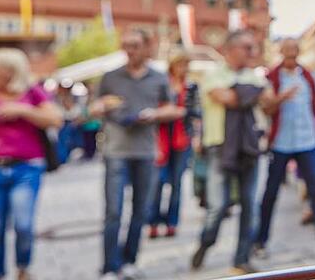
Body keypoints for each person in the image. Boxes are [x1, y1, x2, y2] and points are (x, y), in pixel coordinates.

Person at [91, 30, 182, 280]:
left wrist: (154, 114)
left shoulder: (159, 77)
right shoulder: (110, 77)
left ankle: (129, 260)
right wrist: (101, 107)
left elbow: (174, 109)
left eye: (134, 45)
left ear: (146, 47)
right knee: (113, 211)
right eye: (126, 45)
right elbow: (94, 108)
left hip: (145, 150)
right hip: (116, 150)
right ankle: (110, 266)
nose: (130, 50)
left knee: (141, 209)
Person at [255, 38, 315, 262]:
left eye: (294, 55)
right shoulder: (271, 78)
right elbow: (266, 108)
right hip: (281, 143)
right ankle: (260, 242)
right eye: (287, 55)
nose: (291, 59)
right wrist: (281, 98)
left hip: (308, 141)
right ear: (281, 54)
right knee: (270, 193)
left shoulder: (309, 76)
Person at [190, 30, 268, 275]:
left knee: (250, 205)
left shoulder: (253, 76)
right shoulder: (213, 75)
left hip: (249, 147)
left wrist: (244, 92)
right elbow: (228, 98)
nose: (251, 52)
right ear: (231, 49)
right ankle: (206, 242)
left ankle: (241, 259)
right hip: (219, 146)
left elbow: (267, 101)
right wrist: (252, 92)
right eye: (247, 47)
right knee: (218, 206)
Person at [0, 48, 63, 280]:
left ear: (10, 70)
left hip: (26, 167)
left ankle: (23, 268)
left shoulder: (31, 93)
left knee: (23, 224)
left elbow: (55, 119)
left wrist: (22, 109)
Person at [148, 51, 200, 239]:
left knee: (177, 183)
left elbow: (195, 112)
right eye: (180, 64)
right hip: (161, 137)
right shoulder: (162, 83)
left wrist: (195, 135)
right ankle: (153, 221)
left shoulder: (191, 86)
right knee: (158, 183)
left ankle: (172, 222)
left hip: (181, 138)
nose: (183, 69)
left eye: (186, 65)